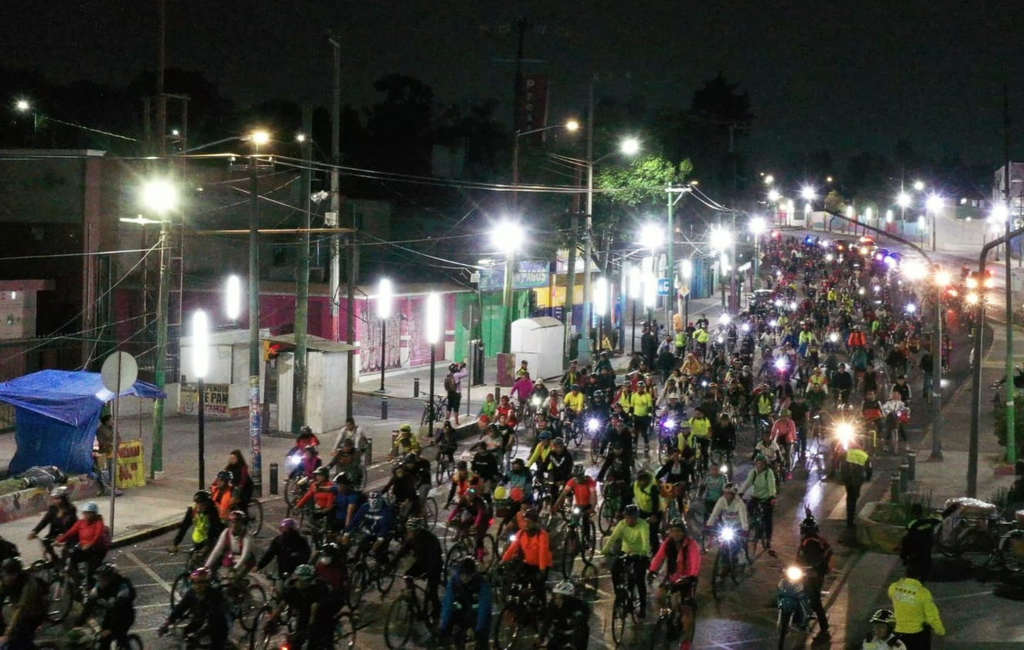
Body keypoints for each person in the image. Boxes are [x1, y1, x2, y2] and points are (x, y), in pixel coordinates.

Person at [647, 518, 700, 650]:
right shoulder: (668, 543)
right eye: (673, 531)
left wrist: (692, 576)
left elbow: (695, 560)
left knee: (686, 611)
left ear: (684, 532)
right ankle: (666, 614)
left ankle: (686, 641)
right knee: (659, 597)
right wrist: (652, 570)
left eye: (678, 531)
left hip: (687, 579)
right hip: (671, 577)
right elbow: (659, 557)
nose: (675, 534)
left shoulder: (691, 545)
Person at [265, 563, 341, 650]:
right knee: (296, 642)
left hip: (323, 611)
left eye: (306, 581)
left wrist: (308, 630)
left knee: (317, 640)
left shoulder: (318, 590)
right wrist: (271, 621)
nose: (302, 583)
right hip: (304, 611)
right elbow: (282, 605)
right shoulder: (291, 589)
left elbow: (314, 612)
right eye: (300, 580)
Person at [158, 567, 230, 648]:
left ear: (208, 583)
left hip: (216, 627)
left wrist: (198, 634)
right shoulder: (192, 593)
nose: (198, 586)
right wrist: (167, 623)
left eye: (202, 582)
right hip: (199, 622)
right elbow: (180, 608)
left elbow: (213, 616)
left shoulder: (214, 595)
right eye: (195, 583)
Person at [392, 516, 443, 620]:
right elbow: (402, 551)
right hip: (421, 562)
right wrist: (392, 564)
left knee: (432, 591)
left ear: (418, 531)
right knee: (408, 575)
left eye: (412, 531)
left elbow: (434, 559)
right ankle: (412, 599)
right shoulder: (411, 539)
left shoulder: (430, 540)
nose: (409, 533)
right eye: (408, 531)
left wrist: (428, 573)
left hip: (434, 565)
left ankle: (437, 610)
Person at [78, 562, 136, 650]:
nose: (100, 581)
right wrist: (79, 623)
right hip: (111, 614)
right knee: (103, 642)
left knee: (120, 636)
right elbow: (89, 605)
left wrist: (111, 629)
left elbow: (119, 609)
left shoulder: (122, 587)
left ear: (110, 578)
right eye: (99, 578)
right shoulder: (99, 587)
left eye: (103, 578)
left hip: (125, 615)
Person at [438, 557, 492, 650]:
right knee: (456, 636)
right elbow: (448, 603)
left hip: (477, 614)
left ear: (473, 574)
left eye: (468, 575)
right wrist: (444, 625)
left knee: (482, 639)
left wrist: (480, 628)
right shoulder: (454, 583)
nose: (465, 578)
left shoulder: (481, 584)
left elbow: (484, 607)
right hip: (461, 612)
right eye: (463, 574)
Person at [500, 509, 552, 603]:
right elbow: (512, 548)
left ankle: (542, 606)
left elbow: (542, 553)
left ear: (535, 523)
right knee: (520, 582)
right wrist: (503, 561)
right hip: (528, 563)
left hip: (541, 565)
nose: (526, 524)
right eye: (525, 521)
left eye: (529, 522)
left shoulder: (542, 535)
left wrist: (542, 570)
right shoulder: (521, 533)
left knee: (538, 587)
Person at [888, 567, 945, 650]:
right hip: (917, 634)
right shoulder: (923, 593)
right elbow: (932, 616)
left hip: (898, 631)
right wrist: (940, 630)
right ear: (919, 577)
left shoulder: (893, 587)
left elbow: (893, 595)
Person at [796, 513, 832, 642]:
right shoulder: (817, 539)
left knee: (814, 599)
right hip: (817, 574)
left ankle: (823, 625)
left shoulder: (810, 542)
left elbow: (811, 560)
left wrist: (811, 569)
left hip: (812, 575)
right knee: (811, 596)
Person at [56, 501, 110, 583]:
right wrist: (59, 541)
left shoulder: (98, 523)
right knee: (70, 560)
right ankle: (77, 580)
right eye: (84, 513)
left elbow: (97, 536)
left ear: (94, 514)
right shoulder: (81, 523)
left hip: (97, 550)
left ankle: (91, 588)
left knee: (90, 573)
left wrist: (90, 544)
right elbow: (70, 533)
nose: (86, 515)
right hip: (84, 549)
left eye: (89, 513)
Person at [0, 557, 46, 649]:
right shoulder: (6, 581)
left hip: (34, 613)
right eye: (3, 575)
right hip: (20, 612)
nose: (5, 578)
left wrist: (7, 633)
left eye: (7, 575)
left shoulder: (29, 584)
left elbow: (19, 609)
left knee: (20, 640)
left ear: (16, 574)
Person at [169, 490, 225, 558]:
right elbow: (184, 527)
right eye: (198, 504)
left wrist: (207, 546)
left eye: (203, 505)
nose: (200, 507)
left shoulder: (212, 511)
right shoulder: (193, 510)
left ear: (208, 504)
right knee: (192, 561)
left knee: (208, 561)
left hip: (210, 540)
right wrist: (175, 544)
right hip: (198, 539)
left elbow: (214, 530)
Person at [739, 456, 777, 555]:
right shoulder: (754, 472)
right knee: (748, 511)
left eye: (762, 464)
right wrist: (740, 493)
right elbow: (747, 483)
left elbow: (772, 485)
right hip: (756, 497)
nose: (759, 466)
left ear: (765, 464)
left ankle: (768, 540)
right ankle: (752, 526)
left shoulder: (769, 473)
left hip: (767, 498)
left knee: (768, 520)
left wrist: (772, 497)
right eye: (758, 464)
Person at [203, 510, 255, 579]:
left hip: (245, 562)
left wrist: (235, 569)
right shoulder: (226, 532)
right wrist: (206, 566)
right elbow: (217, 550)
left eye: (237, 522)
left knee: (233, 580)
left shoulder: (247, 536)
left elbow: (245, 556)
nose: (234, 525)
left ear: (242, 523)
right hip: (231, 557)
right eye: (232, 522)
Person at [539, 580, 590, 650]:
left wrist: (573, 644)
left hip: (575, 634)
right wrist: (542, 636)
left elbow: (581, 627)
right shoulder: (553, 605)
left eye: (559, 598)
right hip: (560, 633)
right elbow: (547, 620)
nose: (556, 600)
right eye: (555, 597)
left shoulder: (578, 607)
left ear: (567, 599)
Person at [900, 504, 941, 582]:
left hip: (916, 548)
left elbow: (907, 536)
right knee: (925, 564)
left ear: (913, 513)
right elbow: (938, 520)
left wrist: (904, 555)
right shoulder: (929, 521)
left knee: (905, 541)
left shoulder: (912, 524)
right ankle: (923, 578)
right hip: (927, 546)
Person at [841, 439, 872, 528]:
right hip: (858, 480)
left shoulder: (847, 453)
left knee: (850, 497)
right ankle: (850, 521)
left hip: (847, 479)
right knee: (854, 498)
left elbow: (839, 463)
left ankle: (849, 518)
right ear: (862, 446)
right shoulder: (865, 455)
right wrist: (868, 478)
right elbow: (869, 469)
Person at [93, 413, 115, 496]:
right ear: (106, 421)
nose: (112, 421)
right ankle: (105, 488)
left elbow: (118, 437)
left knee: (112, 469)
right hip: (104, 453)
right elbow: (101, 441)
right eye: (111, 420)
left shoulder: (112, 428)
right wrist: (110, 444)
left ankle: (111, 486)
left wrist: (116, 443)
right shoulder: (100, 430)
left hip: (112, 452)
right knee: (105, 470)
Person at [445, 361, 469, 425]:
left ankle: (447, 420)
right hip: (456, 393)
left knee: (449, 407)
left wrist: (459, 368)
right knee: (456, 408)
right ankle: (457, 422)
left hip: (450, 392)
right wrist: (463, 367)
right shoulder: (457, 375)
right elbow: (466, 374)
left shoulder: (449, 374)